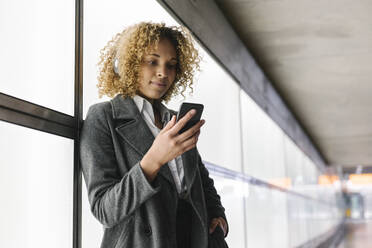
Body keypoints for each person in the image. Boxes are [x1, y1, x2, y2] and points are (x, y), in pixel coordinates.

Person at [80, 22, 228, 248]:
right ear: (129, 64)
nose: (163, 73)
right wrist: (153, 160)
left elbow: (200, 179)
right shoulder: (103, 117)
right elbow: (104, 210)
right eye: (152, 61)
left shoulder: (174, 119)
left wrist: (219, 217)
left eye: (171, 65)